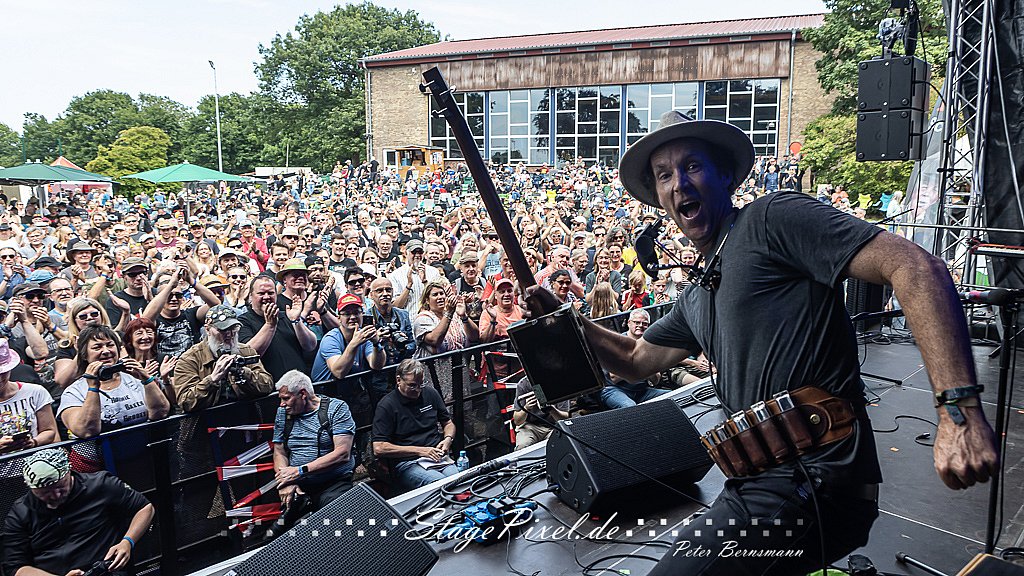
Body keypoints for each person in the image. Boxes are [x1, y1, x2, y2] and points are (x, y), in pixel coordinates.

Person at [539, 110, 1000, 575]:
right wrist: (568, 322)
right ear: (659, 197)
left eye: (692, 166)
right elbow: (636, 360)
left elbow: (917, 269)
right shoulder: (699, 293)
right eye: (664, 175)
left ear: (724, 175)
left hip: (813, 485)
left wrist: (957, 412)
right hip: (755, 484)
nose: (678, 183)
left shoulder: (772, 219)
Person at [2, 448, 155, 576]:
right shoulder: (20, 512)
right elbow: (16, 567)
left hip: (104, 570)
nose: (55, 495)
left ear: (69, 472)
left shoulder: (100, 485)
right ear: (31, 488)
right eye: (44, 492)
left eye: (60, 487)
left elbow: (145, 507)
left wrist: (127, 542)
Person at [270, 370, 356, 533]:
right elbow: (279, 451)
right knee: (275, 535)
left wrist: (299, 471)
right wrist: (286, 481)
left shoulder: (335, 409)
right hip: (299, 487)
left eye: (286, 398)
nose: (282, 404)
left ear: (303, 394)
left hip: (333, 482)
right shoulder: (283, 413)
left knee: (333, 526)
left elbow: (342, 454)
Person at [372, 359, 459, 490]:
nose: (417, 389)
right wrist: (421, 451)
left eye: (421, 384)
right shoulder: (387, 405)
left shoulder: (430, 393)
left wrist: (448, 439)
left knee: (458, 480)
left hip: (437, 457)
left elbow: (448, 423)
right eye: (412, 385)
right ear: (398, 380)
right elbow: (379, 448)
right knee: (440, 484)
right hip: (407, 462)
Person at [172, 304, 275, 412]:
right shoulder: (190, 359)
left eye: (233, 329)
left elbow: (267, 385)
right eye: (223, 330)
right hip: (207, 422)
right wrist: (212, 379)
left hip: (245, 419)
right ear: (207, 330)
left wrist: (244, 373)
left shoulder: (245, 351)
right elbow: (185, 402)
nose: (230, 334)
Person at [237, 274, 319, 380]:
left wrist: (296, 321)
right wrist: (270, 325)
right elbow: (248, 355)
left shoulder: (286, 315)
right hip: (270, 391)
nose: (266, 297)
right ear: (250, 296)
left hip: (298, 385)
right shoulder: (243, 321)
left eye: (270, 293)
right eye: (261, 293)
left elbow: (310, 345)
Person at [598, 309, 670, 409]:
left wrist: (651, 370)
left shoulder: (650, 345)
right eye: (636, 322)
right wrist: (640, 364)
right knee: (630, 406)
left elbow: (655, 381)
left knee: (672, 397)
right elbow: (614, 378)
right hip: (615, 389)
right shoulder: (617, 343)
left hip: (641, 391)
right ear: (629, 323)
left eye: (644, 323)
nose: (640, 325)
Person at [310, 294, 385, 383]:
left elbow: (376, 365)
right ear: (339, 318)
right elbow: (338, 372)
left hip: (350, 389)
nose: (353, 317)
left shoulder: (364, 334)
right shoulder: (330, 339)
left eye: (356, 313)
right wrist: (354, 344)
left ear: (362, 315)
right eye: (347, 314)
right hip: (326, 390)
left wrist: (376, 343)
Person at [0, 339, 57, 454]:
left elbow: (49, 431)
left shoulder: (35, 392)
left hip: (34, 466)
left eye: (3, 372)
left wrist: (33, 442)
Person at [511, 376, 569, 450]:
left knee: (559, 447)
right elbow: (517, 421)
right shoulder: (523, 384)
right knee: (522, 447)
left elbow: (566, 419)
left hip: (553, 426)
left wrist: (551, 409)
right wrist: (526, 408)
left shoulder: (557, 382)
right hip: (530, 426)